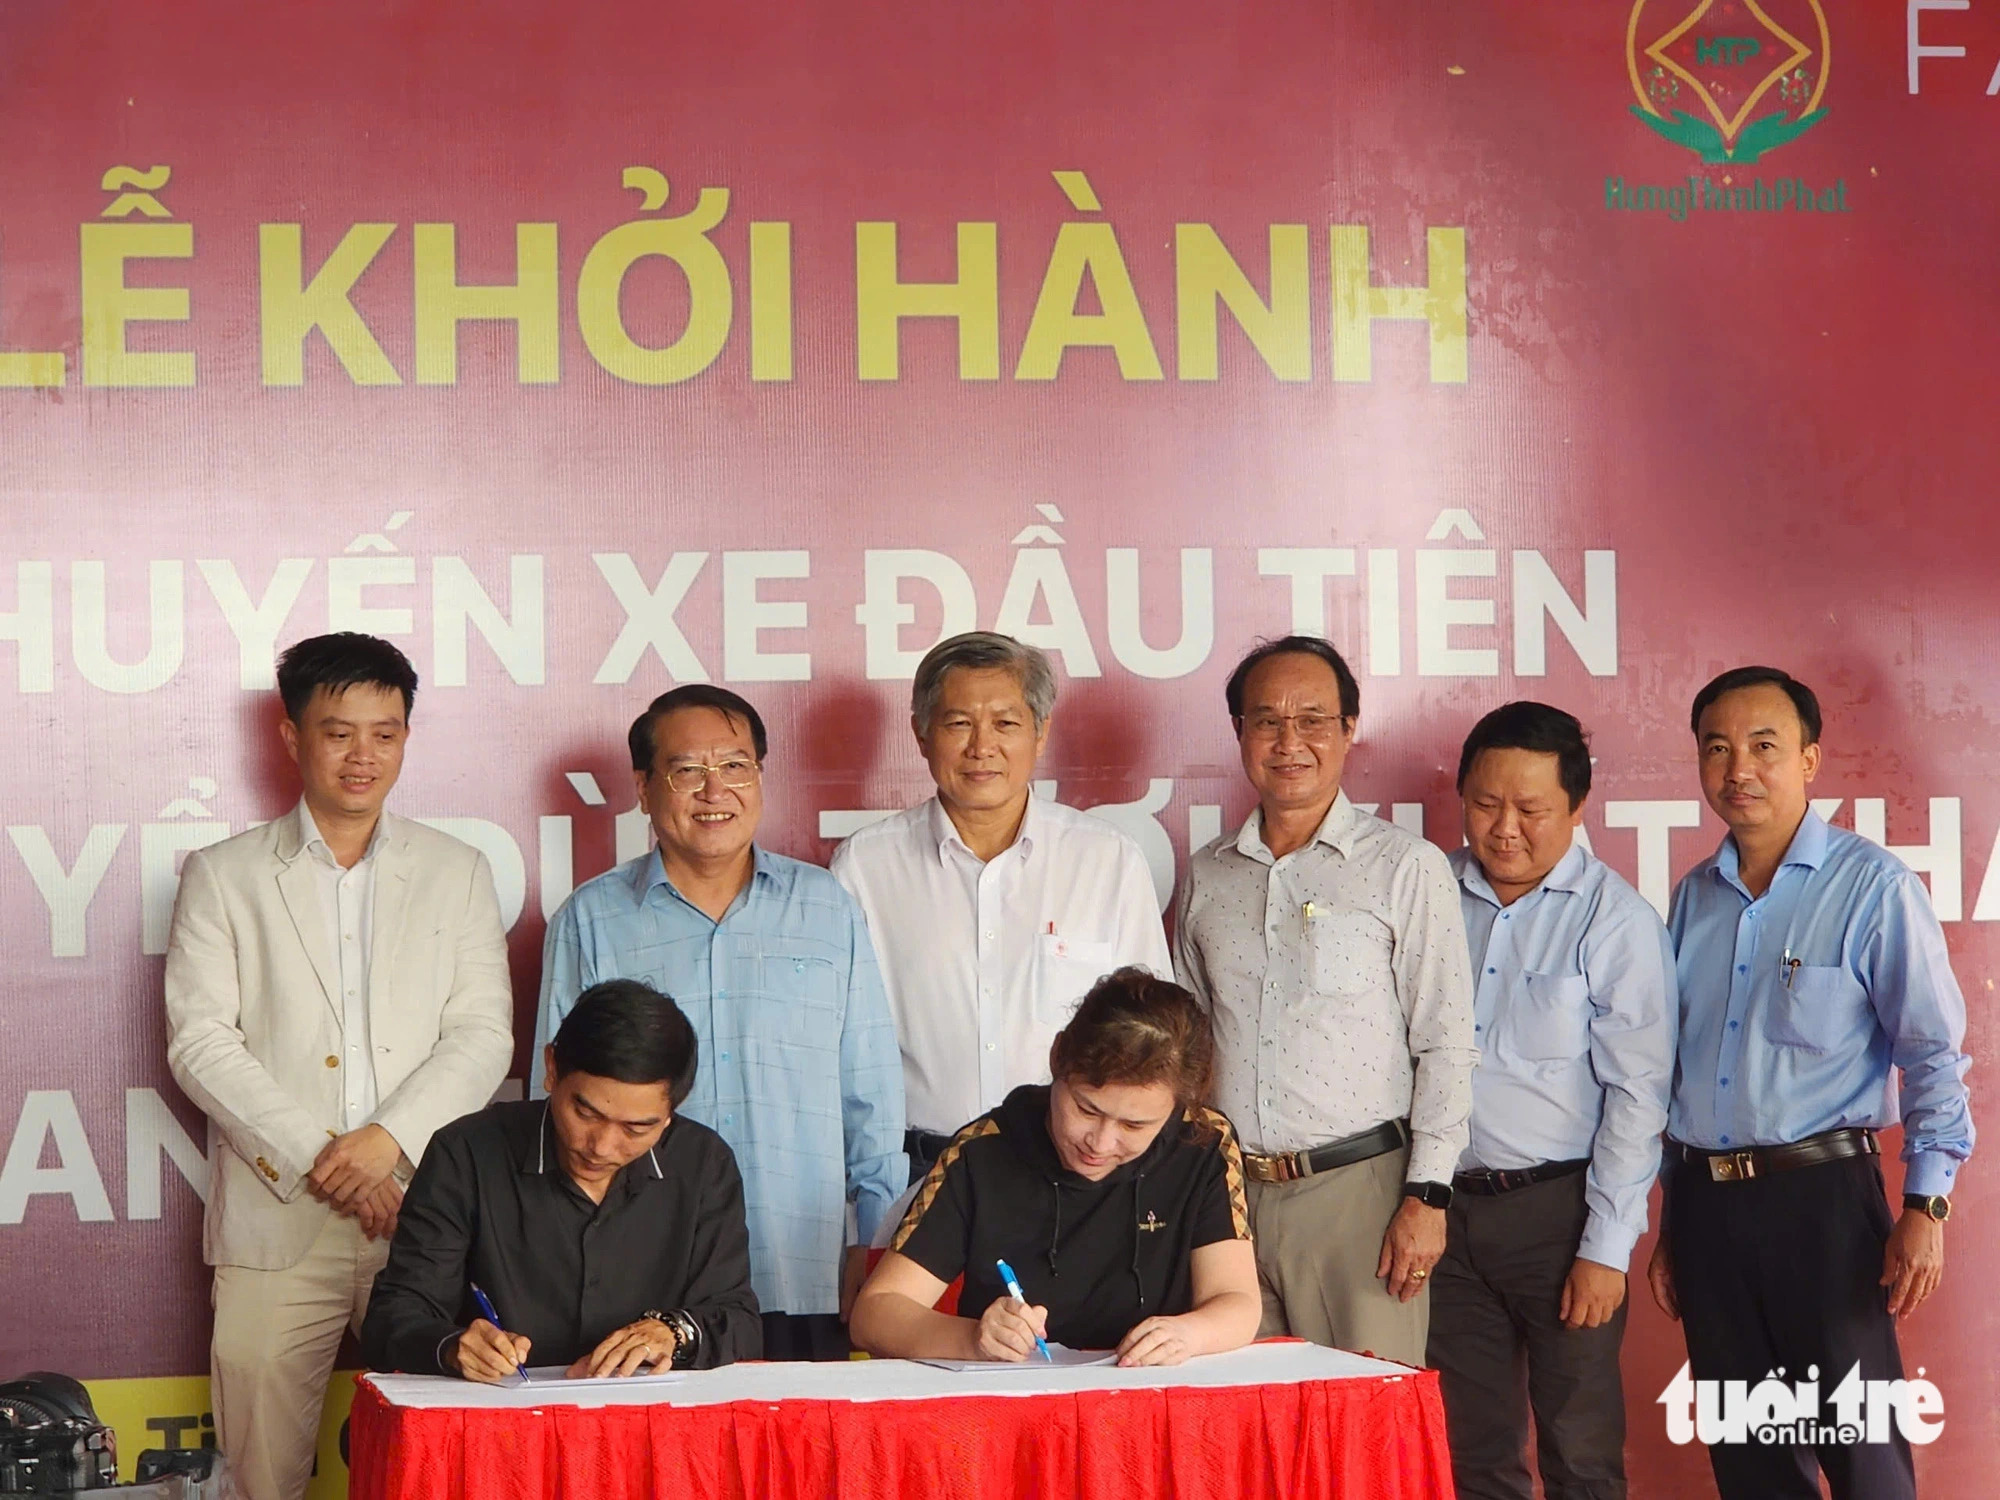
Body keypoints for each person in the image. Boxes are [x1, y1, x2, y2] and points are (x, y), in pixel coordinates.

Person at [164, 633, 513, 1500]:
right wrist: (335, 1160)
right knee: (261, 1475)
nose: (363, 756)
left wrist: (387, 1143)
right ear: (291, 737)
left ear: (405, 737)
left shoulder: (458, 872)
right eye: (338, 731)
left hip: (422, 1217)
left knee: (443, 1471)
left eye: (385, 733)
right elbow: (201, 1042)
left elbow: (481, 1036)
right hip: (276, 1226)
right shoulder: (222, 876)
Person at [1647, 666, 1973, 1500]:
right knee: (1750, 1461)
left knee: (1861, 1456)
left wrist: (1925, 1207)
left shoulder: (1873, 888)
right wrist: (1671, 1220)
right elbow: (1670, 1074)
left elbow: (1932, 1056)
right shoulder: (1692, 900)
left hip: (1825, 1206)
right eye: (1716, 749)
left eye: (1764, 746)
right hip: (1708, 1209)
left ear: (1811, 758)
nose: (1738, 770)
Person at [532, 684, 905, 1361]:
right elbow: (554, 1105)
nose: (714, 790)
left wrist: (872, 1244)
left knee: (798, 1462)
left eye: (735, 766)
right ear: (644, 789)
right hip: (642, 1273)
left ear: (760, 778)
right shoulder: (591, 919)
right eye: (687, 771)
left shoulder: (827, 908)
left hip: (801, 1263)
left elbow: (870, 1092)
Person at [1173, 634, 1476, 1367]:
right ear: (1240, 734)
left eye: (1313, 719)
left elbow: (1446, 1040)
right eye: (1267, 720)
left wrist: (1427, 1198)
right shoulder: (1206, 874)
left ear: (1348, 731)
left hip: (1361, 1197)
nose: (1289, 741)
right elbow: (1188, 1042)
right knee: (1252, 1440)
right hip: (1232, 1199)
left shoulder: (1404, 867)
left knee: (1367, 1436)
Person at [1427, 702, 1676, 1500]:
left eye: (1531, 810)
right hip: (1446, 1217)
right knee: (1471, 1447)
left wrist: (1606, 1249)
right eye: (1485, 804)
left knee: (1580, 1450)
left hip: (1561, 1215)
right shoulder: (1428, 893)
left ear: (1576, 808)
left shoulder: (1616, 921)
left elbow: (1639, 1096)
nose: (1504, 829)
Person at [832, 631, 1170, 1178]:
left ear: (1040, 734)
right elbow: (843, 1050)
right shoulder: (866, 868)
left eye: (1006, 724)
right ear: (921, 733)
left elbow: (1147, 1041)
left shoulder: (1105, 861)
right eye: (959, 723)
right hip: (917, 1173)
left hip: (1071, 1174)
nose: (981, 746)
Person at [850, 967, 1258, 1365]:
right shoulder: (984, 1152)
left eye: (1134, 1125)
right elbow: (875, 1314)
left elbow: (1237, 1301)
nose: (1099, 1143)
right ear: (1057, 1057)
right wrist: (974, 1338)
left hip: (1148, 1398)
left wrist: (1189, 1333)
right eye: (1085, 1108)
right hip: (1012, 1403)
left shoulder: (1203, 1143)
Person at [362, 979, 759, 1378]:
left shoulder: (704, 1164)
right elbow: (394, 1316)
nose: (602, 1146)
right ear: (551, 1069)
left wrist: (673, 1332)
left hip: (649, 1423)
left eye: (636, 1129)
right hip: (501, 1424)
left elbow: (737, 1318)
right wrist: (451, 1347)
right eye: (586, 1114)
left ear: (672, 1109)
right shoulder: (466, 1153)